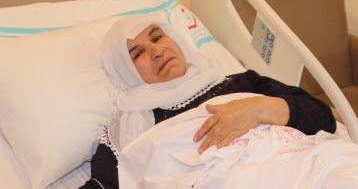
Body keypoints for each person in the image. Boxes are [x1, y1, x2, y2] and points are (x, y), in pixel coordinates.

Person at [80, 14, 336, 189]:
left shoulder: (240, 83)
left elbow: (323, 117)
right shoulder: (128, 131)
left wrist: (260, 108)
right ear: (126, 72)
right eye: (138, 54)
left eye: (157, 38)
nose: (157, 51)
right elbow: (104, 185)